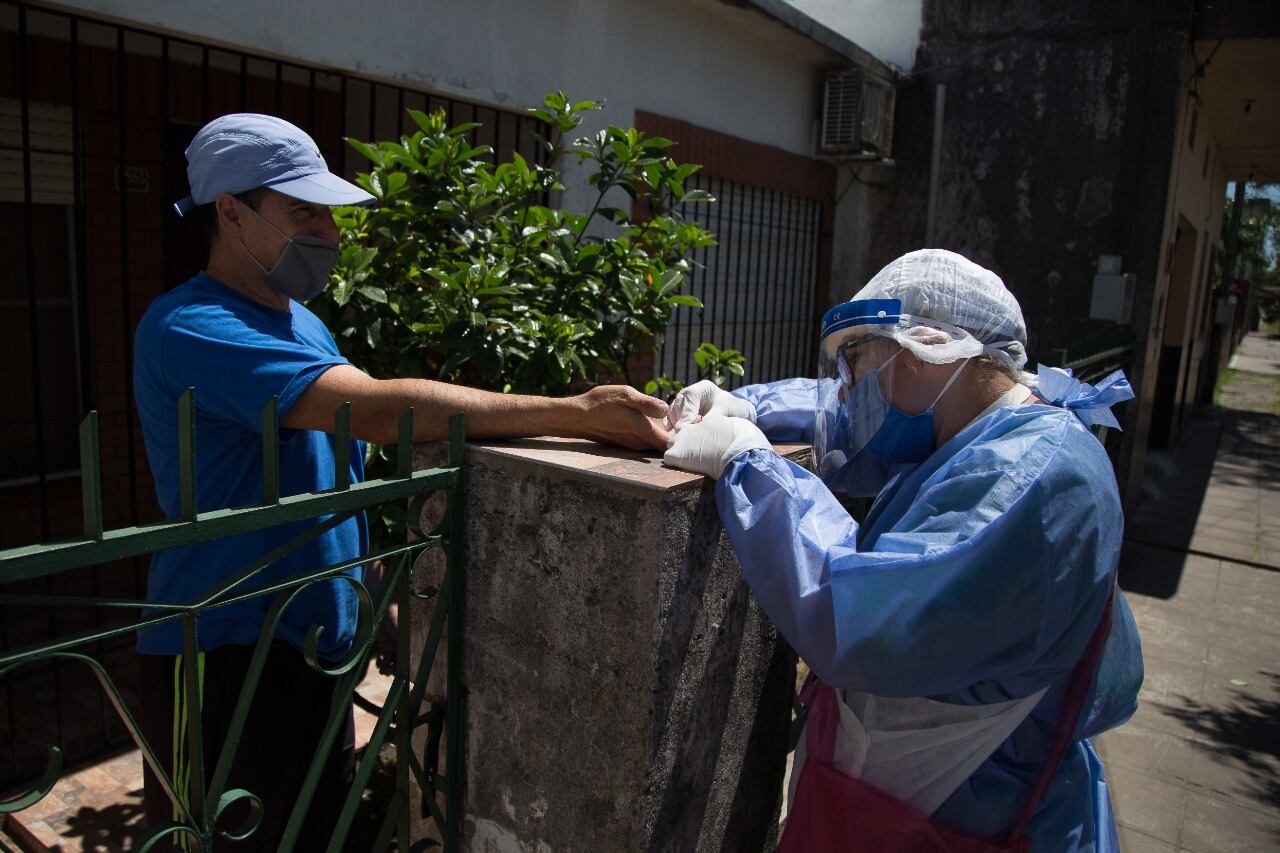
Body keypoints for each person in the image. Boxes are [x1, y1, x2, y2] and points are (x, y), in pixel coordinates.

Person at [132, 113, 670, 849]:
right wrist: (577, 411)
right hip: (225, 651)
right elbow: (379, 415)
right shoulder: (190, 325)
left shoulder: (304, 325)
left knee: (321, 832)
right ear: (230, 211)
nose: (327, 230)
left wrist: (367, 585)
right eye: (303, 211)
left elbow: (333, 472)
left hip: (315, 643)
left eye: (327, 210)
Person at [662, 249, 1143, 851]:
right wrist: (748, 404)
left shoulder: (1035, 477)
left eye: (856, 359)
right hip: (922, 807)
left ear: (929, 345)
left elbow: (854, 613)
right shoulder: (980, 429)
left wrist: (748, 464)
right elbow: (842, 425)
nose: (847, 387)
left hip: (966, 823)